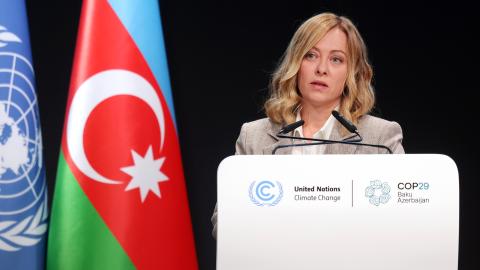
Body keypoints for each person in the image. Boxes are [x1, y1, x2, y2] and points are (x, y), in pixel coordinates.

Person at [211, 12, 404, 238]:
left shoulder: (380, 137)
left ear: (353, 72)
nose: (321, 68)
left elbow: (401, 221)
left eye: (336, 59)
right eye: (311, 55)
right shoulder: (254, 136)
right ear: (296, 63)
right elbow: (222, 224)